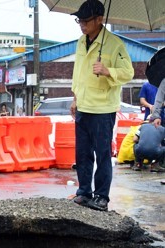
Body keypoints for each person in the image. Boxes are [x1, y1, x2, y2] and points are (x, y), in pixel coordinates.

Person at [69, 0, 134, 211]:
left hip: (103, 109)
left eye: (86, 21)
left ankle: (102, 196)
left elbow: (128, 72)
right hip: (83, 107)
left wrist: (108, 71)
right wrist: (75, 98)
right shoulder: (81, 42)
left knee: (102, 154)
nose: (82, 25)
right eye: (80, 20)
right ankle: (84, 192)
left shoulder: (115, 44)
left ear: (99, 19)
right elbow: (78, 73)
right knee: (82, 153)